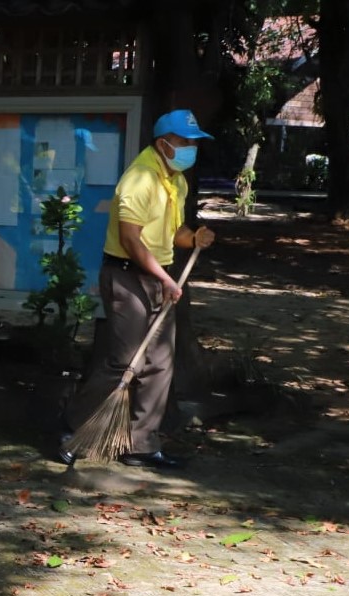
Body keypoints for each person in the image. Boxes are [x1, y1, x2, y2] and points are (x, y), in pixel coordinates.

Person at [59, 109, 217, 469]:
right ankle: (71, 428)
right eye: (185, 142)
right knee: (126, 361)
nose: (192, 148)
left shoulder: (175, 180)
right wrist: (164, 278)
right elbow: (131, 240)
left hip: (157, 274)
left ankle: (141, 445)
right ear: (164, 144)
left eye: (195, 142)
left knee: (160, 363)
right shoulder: (139, 179)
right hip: (127, 275)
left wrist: (194, 237)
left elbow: (170, 233)